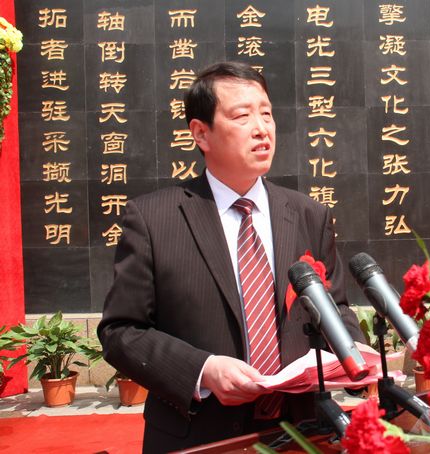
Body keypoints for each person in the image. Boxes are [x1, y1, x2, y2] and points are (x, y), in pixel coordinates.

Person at [97, 61, 364, 452]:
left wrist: (356, 354)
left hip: (301, 432)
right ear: (200, 133)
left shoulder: (308, 214)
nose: (262, 129)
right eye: (242, 116)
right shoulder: (154, 219)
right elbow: (121, 332)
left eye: (267, 114)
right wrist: (204, 370)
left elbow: (334, 308)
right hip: (199, 436)